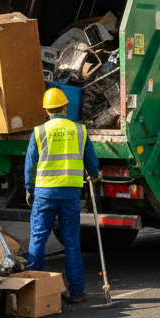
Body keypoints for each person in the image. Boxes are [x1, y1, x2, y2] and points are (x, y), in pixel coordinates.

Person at [24, 87, 100, 303]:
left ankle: (34, 291)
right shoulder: (79, 130)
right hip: (70, 194)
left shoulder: (39, 132)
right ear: (65, 107)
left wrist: (30, 188)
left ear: (46, 110)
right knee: (72, 243)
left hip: (45, 193)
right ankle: (77, 292)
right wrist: (95, 174)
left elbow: (30, 165)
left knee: (38, 241)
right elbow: (92, 162)